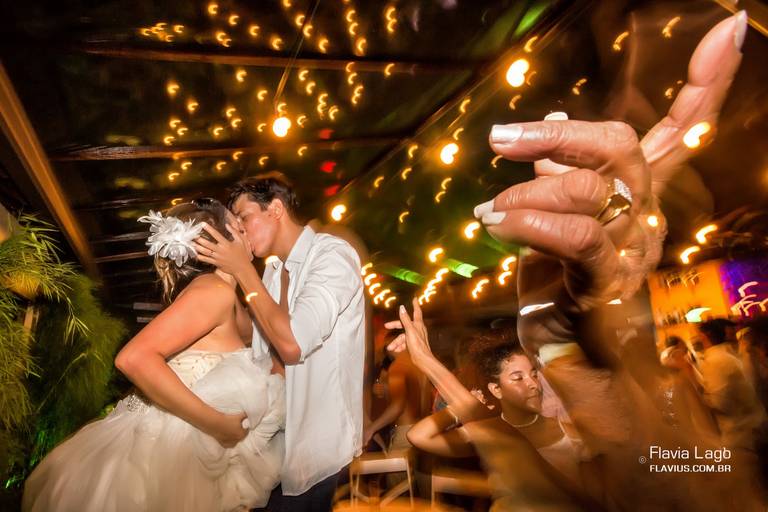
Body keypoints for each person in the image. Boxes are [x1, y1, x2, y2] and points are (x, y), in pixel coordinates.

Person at [391, 11, 763, 510]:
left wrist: (598, 362)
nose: (533, 381)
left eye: (533, 372)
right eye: (522, 376)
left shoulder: (581, 420)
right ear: (496, 392)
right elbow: (439, 434)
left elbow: (691, 472)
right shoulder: (510, 430)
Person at [23, 199, 286, 512]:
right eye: (238, 227)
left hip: (184, 443)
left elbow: (257, 334)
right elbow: (132, 358)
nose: (246, 233)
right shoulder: (213, 291)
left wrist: (247, 273)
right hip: (169, 445)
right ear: (218, 242)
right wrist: (216, 424)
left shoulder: (226, 296)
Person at [193, 172, 365, 512]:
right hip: (271, 444)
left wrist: (243, 271)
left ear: (275, 208)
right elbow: (253, 343)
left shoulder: (332, 255)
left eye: (244, 219)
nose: (240, 231)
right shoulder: (271, 273)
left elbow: (292, 345)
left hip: (315, 443)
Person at [695, 318, 766, 450]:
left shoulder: (715, 362)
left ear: (704, 336)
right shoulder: (729, 357)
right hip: (753, 429)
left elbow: (720, 403)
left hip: (741, 437)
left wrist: (700, 395)